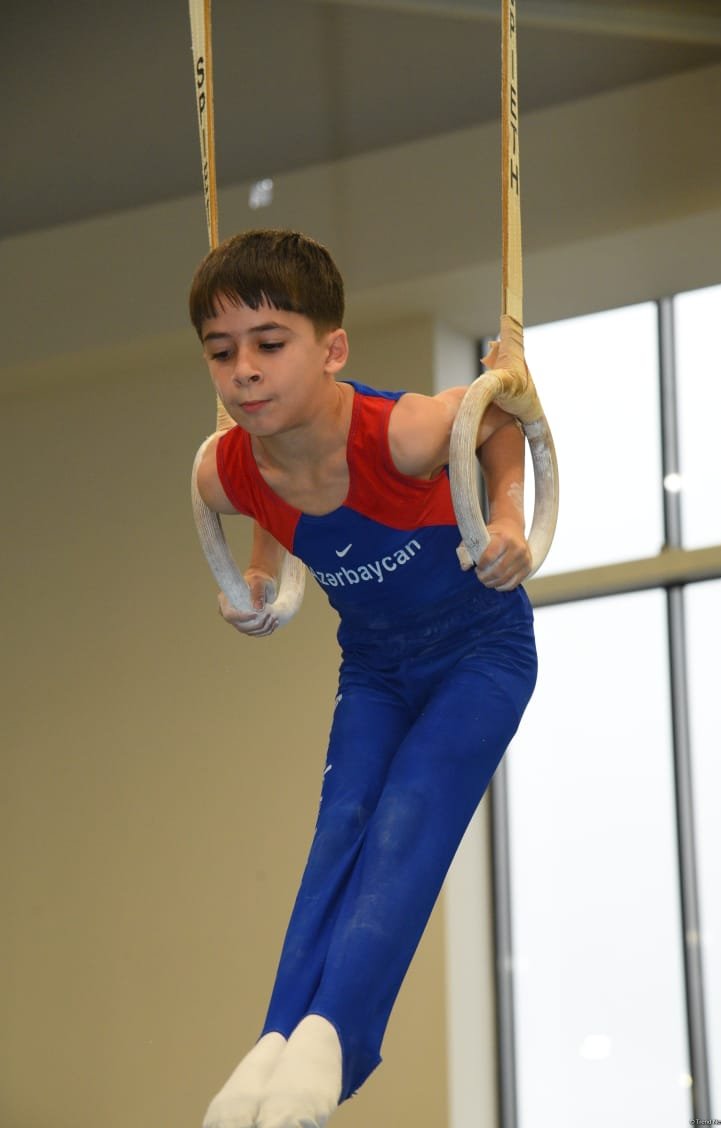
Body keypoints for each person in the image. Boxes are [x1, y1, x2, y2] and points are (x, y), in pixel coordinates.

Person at [190, 229, 537, 1128]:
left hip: (477, 655)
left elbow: (501, 415)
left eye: (271, 344)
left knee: (405, 823)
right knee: (337, 831)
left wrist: (506, 517)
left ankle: (338, 1036)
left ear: (332, 349)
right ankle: (277, 1037)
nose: (244, 372)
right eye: (222, 352)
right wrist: (262, 579)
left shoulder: (408, 432)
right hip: (376, 668)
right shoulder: (224, 468)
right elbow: (271, 500)